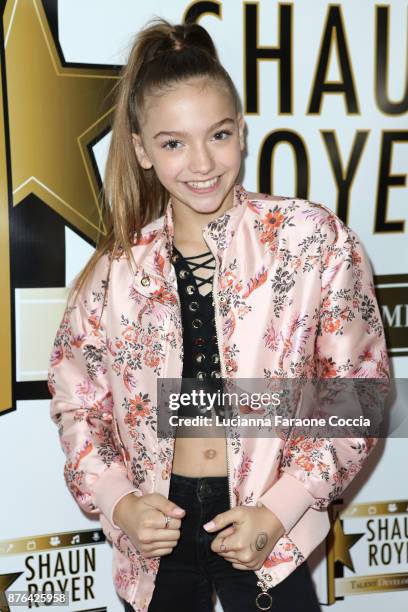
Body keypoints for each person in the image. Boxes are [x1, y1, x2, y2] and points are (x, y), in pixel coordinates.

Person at [47, 17, 390, 612]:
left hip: (266, 532)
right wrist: (120, 501)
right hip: (156, 539)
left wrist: (278, 510)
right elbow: (78, 402)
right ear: (142, 151)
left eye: (219, 134)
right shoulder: (115, 272)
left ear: (242, 133)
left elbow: (359, 393)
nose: (201, 162)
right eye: (173, 142)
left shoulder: (312, 241)